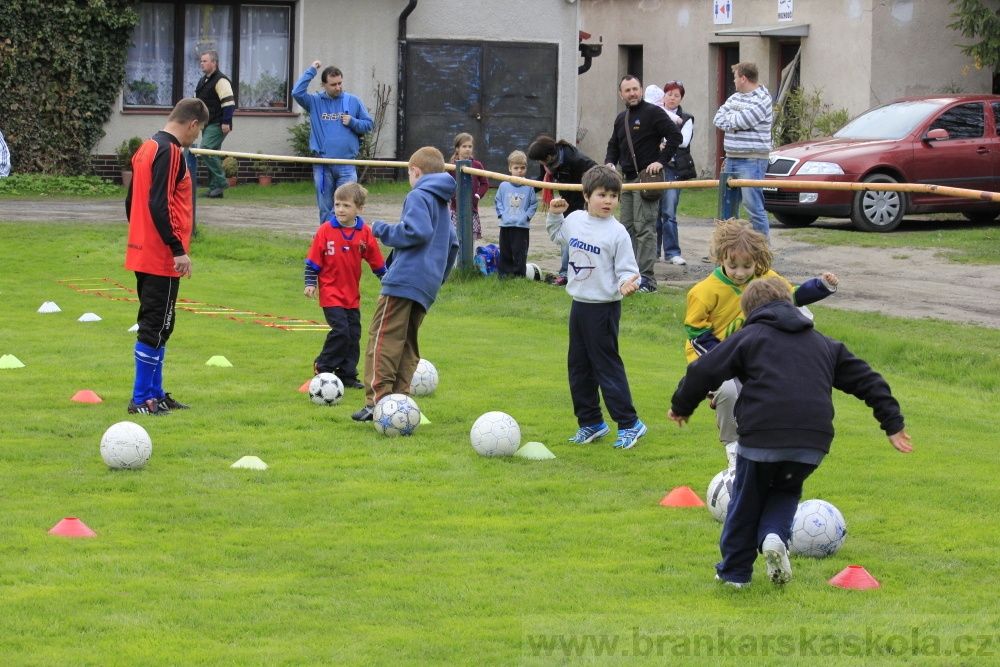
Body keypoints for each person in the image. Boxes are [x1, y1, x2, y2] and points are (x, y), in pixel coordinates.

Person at [668, 277, 912, 587]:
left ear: (748, 311)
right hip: (812, 441)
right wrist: (893, 423)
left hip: (762, 434)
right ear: (791, 304)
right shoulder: (825, 344)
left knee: (746, 501)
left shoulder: (749, 336)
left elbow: (703, 369)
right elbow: (870, 380)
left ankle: (735, 573)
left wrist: (681, 406)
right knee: (785, 489)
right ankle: (773, 536)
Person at [685, 218, 838, 466]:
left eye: (747, 266)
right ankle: (733, 446)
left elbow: (792, 297)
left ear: (757, 261)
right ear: (720, 258)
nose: (740, 272)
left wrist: (821, 287)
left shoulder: (765, 279)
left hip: (754, 354)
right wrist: (725, 362)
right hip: (713, 355)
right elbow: (697, 335)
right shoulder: (702, 292)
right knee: (727, 389)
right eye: (733, 266)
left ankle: (772, 444)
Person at [351, 147, 459, 422]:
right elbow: (453, 244)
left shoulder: (419, 195)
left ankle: (377, 401)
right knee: (406, 342)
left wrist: (381, 229)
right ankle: (400, 400)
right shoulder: (444, 203)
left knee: (383, 338)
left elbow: (416, 231)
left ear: (415, 171)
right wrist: (438, 277)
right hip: (426, 286)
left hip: (403, 281)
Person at [546, 166, 647, 450]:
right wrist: (555, 214)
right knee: (578, 367)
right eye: (602, 194)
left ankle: (630, 424)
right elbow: (557, 235)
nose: (608, 201)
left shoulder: (617, 233)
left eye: (614, 196)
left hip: (603, 310)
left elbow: (629, 270)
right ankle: (591, 422)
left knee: (606, 367)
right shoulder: (576, 220)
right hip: (579, 306)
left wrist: (628, 283)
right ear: (586, 195)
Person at [124, 98, 209, 415]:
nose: (195, 138)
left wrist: (142, 237)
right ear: (192, 124)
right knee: (155, 326)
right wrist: (176, 249)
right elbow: (159, 204)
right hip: (161, 257)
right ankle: (141, 398)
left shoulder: (145, 147)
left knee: (159, 325)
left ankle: (156, 394)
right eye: (198, 132)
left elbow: (131, 202)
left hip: (143, 252)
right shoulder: (171, 151)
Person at [304, 182, 387, 389]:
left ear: (359, 209)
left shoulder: (364, 233)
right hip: (331, 293)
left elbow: (377, 262)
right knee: (340, 330)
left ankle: (347, 374)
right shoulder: (325, 230)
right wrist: (310, 283)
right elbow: (312, 261)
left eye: (346, 205)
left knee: (354, 334)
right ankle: (323, 366)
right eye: (337, 204)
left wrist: (387, 283)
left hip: (352, 296)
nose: (340, 209)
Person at [605, 75, 683, 294]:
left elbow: (675, 136)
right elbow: (614, 144)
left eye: (635, 89)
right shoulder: (621, 118)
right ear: (621, 95)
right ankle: (628, 276)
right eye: (627, 90)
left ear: (641, 90)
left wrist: (661, 162)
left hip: (645, 180)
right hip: (626, 182)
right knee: (626, 229)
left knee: (645, 229)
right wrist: (610, 163)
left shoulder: (654, 112)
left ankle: (647, 280)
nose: (632, 93)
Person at [293, 61, 374, 224]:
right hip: (323, 164)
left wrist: (353, 122)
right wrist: (312, 70)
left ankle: (344, 238)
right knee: (326, 207)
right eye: (333, 84)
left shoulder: (353, 101)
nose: (338, 87)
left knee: (347, 205)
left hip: (346, 163)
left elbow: (369, 125)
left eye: (340, 83)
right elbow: (297, 92)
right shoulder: (314, 102)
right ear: (324, 85)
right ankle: (327, 240)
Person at [527, 135, 598, 287]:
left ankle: (577, 272)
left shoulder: (576, 161)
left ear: (548, 157)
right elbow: (541, 179)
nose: (540, 164)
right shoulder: (548, 164)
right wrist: (525, 189)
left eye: (540, 161)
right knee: (566, 238)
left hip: (582, 204)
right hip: (566, 204)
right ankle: (565, 273)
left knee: (579, 240)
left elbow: (597, 178)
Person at [713, 62, 773, 240]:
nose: (734, 81)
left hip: (752, 161)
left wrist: (732, 121)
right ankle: (727, 250)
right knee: (728, 207)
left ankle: (763, 251)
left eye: (735, 77)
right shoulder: (734, 97)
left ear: (743, 78)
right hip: (731, 158)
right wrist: (735, 122)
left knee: (753, 207)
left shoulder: (763, 100)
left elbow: (742, 121)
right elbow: (718, 119)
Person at [655, 81, 696, 265]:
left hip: (672, 168)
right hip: (653, 168)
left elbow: (684, 141)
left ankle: (672, 252)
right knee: (653, 211)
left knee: (669, 212)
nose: (672, 98)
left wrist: (667, 142)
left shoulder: (686, 118)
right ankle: (652, 252)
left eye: (676, 95)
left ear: (681, 99)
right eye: (669, 94)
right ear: (663, 96)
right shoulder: (654, 113)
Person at [194, 50, 236, 199]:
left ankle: (221, 181)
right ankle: (215, 190)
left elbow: (229, 103)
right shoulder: (203, 81)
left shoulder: (221, 80)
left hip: (218, 124)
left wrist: (226, 122)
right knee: (213, 154)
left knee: (206, 149)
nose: (202, 64)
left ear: (214, 63)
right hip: (207, 123)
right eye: (201, 61)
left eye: (205, 61)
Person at [494, 150, 538, 278]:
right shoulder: (503, 185)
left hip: (521, 226)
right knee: (505, 251)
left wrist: (526, 216)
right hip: (506, 224)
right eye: (516, 168)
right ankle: (504, 274)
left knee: (519, 252)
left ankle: (519, 275)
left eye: (522, 168)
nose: (519, 171)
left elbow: (533, 204)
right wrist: (502, 215)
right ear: (509, 168)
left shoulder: (529, 186)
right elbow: (498, 201)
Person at [448, 133, 490, 240]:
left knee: (469, 239)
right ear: (457, 148)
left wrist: (477, 196)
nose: (467, 149)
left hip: (471, 209)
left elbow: (485, 183)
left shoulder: (477, 165)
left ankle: (469, 257)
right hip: (455, 210)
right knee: (455, 239)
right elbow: (447, 184)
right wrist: (453, 197)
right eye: (464, 146)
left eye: (470, 146)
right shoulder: (451, 166)